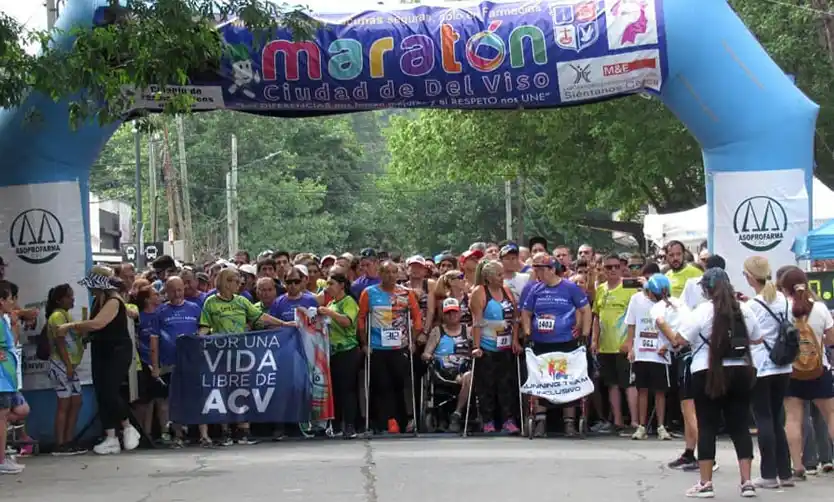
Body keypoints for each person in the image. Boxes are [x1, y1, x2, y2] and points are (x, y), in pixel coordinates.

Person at [656, 268, 760, 498]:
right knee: (740, 427)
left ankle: (706, 483)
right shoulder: (744, 309)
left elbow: (680, 340)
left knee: (708, 427)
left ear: (706, 289)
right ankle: (747, 482)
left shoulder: (702, 311)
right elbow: (756, 337)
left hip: (707, 372)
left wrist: (665, 326)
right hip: (741, 370)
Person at [198, 268, 291, 446]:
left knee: (243, 390)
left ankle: (243, 431)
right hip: (221, 354)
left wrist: (285, 324)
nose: (239, 284)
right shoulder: (211, 302)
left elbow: (260, 317)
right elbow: (205, 326)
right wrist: (197, 340)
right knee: (222, 392)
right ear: (226, 282)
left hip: (242, 354)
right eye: (235, 281)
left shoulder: (241, 301)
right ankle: (225, 431)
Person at [59, 267, 140, 455]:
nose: (90, 289)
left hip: (117, 351)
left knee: (110, 391)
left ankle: (128, 426)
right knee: (101, 393)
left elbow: (98, 323)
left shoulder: (113, 301)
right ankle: (111, 437)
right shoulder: (97, 301)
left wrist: (71, 326)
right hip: (101, 350)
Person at [521, 252, 591, 437]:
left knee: (567, 380)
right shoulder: (535, 289)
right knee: (541, 379)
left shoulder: (570, 287)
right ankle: (540, 421)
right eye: (536, 269)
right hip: (541, 342)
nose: (537, 273)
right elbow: (526, 313)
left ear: (551, 269)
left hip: (565, 341)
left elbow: (585, 310)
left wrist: (584, 333)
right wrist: (527, 333)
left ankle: (569, 423)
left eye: (540, 269)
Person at [742, 256, 794, 488]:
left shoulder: (752, 306)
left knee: (763, 419)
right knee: (777, 419)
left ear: (751, 277)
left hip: (761, 366)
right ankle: (785, 473)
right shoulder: (784, 300)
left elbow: (748, 335)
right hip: (784, 365)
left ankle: (768, 474)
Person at [778, 267, 834, 481]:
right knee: (830, 415)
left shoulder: (783, 307)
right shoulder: (819, 308)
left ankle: (798, 466)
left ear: (784, 288)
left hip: (792, 372)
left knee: (793, 418)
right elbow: (831, 339)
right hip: (819, 369)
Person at [358, 260, 422, 434]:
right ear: (380, 274)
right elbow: (361, 318)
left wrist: (413, 340)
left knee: (399, 384)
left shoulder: (406, 293)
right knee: (381, 384)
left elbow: (417, 318)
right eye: (386, 272)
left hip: (399, 346)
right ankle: (382, 422)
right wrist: (364, 343)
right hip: (377, 346)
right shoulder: (369, 293)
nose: (391, 276)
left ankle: (401, 420)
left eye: (394, 272)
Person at [623, 274, 677, 441]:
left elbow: (674, 326)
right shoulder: (636, 299)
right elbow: (631, 325)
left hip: (660, 353)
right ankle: (642, 426)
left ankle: (661, 426)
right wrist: (630, 348)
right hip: (641, 352)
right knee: (642, 390)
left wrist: (667, 346)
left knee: (660, 391)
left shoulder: (668, 303)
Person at [470, 260, 520, 434]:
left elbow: (515, 318)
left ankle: (508, 419)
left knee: (506, 385)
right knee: (487, 385)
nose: (502, 277)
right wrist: (476, 346)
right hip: (487, 345)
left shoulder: (506, 291)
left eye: (502, 274)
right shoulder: (479, 292)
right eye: (499, 275)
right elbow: (476, 322)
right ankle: (488, 420)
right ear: (489, 277)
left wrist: (515, 340)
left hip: (505, 346)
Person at [150, 277, 201, 447]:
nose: (177, 294)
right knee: (172, 400)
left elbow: (204, 330)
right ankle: (176, 434)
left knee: (192, 398)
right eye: (173, 291)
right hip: (169, 363)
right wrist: (155, 366)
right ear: (167, 291)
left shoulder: (195, 308)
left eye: (180, 290)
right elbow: (154, 340)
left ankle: (195, 433)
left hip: (192, 362)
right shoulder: (160, 312)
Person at [592, 253, 638, 435]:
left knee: (629, 384)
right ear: (603, 269)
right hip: (605, 345)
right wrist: (594, 340)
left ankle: (635, 422)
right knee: (612, 384)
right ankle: (617, 421)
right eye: (608, 267)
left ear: (621, 268)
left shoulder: (629, 286)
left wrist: (631, 341)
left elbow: (638, 316)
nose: (612, 270)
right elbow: (596, 317)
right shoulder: (601, 289)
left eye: (616, 267)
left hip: (624, 344)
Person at [44, 284, 87, 455]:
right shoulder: (57, 317)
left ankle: (69, 440)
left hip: (70, 366)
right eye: (69, 296)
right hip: (60, 365)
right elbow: (60, 343)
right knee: (64, 404)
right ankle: (60, 443)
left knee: (76, 401)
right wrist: (68, 365)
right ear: (59, 300)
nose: (72, 299)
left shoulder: (67, 316)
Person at [318, 273, 362, 439]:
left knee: (347, 389)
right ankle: (335, 425)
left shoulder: (348, 301)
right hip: (333, 351)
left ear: (342, 285)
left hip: (347, 350)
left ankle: (350, 425)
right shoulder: (331, 303)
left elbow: (347, 321)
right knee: (335, 390)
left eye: (331, 284)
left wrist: (330, 313)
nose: (328, 287)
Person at [422, 298, 473, 433]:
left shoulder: (468, 331)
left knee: (468, 376)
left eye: (454, 312)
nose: (452, 315)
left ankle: (457, 413)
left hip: (464, 368)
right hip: (444, 369)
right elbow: (426, 353)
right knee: (466, 377)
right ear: (443, 315)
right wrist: (429, 357)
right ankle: (455, 414)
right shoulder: (437, 331)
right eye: (448, 313)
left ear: (460, 313)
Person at [0, 281, 29, 474]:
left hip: (8, 379)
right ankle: (1, 460)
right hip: (1, 379)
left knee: (19, 410)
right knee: (2, 417)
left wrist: (14, 322)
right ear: (1, 300)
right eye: (11, 299)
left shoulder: (4, 320)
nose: (13, 302)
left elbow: (11, 342)